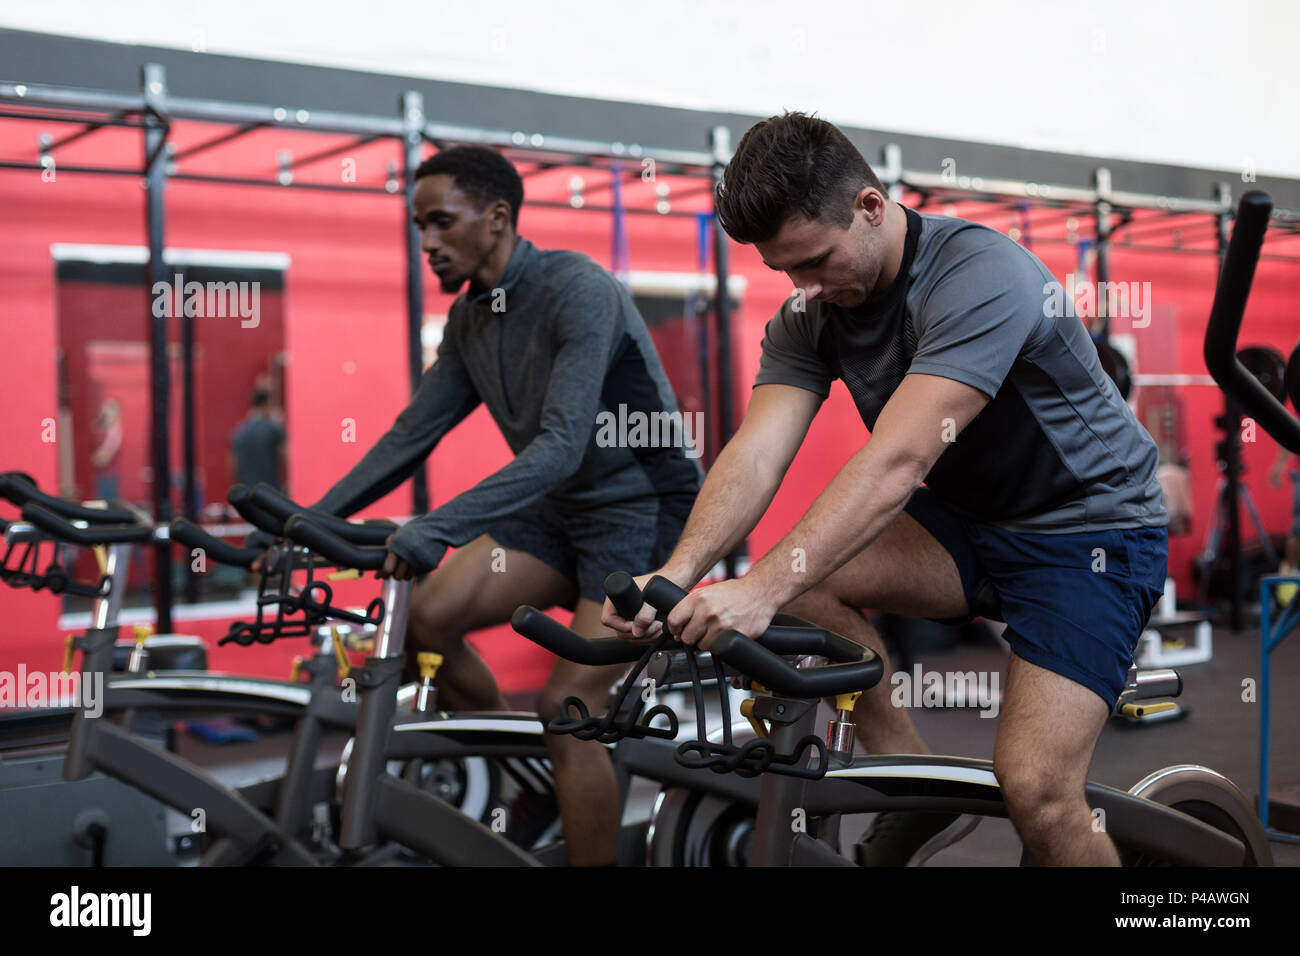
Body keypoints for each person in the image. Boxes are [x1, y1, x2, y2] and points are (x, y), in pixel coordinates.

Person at [604, 113, 1169, 866]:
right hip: (971, 522)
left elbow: (898, 461)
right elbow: (757, 453)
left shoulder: (979, 276)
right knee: (803, 584)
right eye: (785, 271)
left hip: (1091, 532)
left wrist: (761, 589)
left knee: (1035, 789)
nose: (803, 288)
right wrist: (676, 580)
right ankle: (912, 786)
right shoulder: (812, 312)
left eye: (815, 260)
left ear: (871, 208)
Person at [282, 145, 701, 865]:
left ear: (498, 216)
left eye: (441, 222)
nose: (428, 243)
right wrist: (309, 523)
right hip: (555, 507)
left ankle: (570, 790)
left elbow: (564, 442)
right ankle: (536, 778)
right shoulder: (471, 320)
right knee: (431, 618)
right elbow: (410, 436)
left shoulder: (576, 288)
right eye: (418, 227)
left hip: (640, 511)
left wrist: (437, 529)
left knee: (568, 711)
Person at [229, 387, 287, 492]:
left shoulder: (239, 432)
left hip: (247, 493)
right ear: (266, 404)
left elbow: (233, 467)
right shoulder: (274, 429)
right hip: (270, 492)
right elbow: (286, 458)